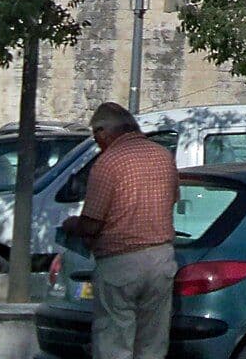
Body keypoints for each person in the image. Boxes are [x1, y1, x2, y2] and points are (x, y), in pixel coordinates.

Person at [59, 102, 180, 359]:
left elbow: (92, 223)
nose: (97, 142)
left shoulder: (107, 164)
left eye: (96, 136)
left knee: (114, 341)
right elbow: (172, 200)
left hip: (120, 262)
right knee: (152, 343)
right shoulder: (163, 157)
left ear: (103, 132)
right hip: (161, 258)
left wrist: (72, 225)